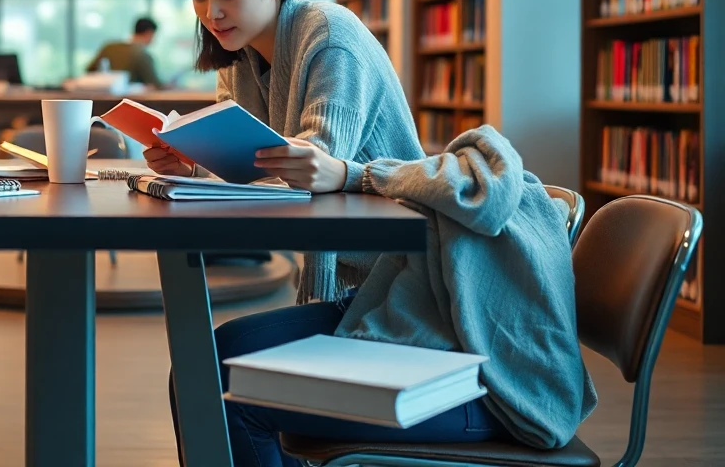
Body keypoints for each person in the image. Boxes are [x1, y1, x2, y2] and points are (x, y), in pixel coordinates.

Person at [152, 0, 426, 461]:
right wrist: (194, 165)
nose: (211, 12)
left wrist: (228, 165)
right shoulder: (238, 58)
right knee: (206, 368)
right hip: (355, 285)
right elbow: (253, 164)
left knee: (213, 374)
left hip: (400, 291)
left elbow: (311, 166)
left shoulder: (329, 36)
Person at [185, 127, 597, 465]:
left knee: (229, 393)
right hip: (429, 332)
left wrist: (354, 174)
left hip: (498, 394)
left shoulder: (336, 50)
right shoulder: (454, 183)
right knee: (212, 355)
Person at [85, 16, 163, 88]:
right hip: (131, 97)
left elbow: (90, 70)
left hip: (100, 95)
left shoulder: (109, 47)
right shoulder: (142, 54)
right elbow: (155, 84)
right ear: (149, 33)